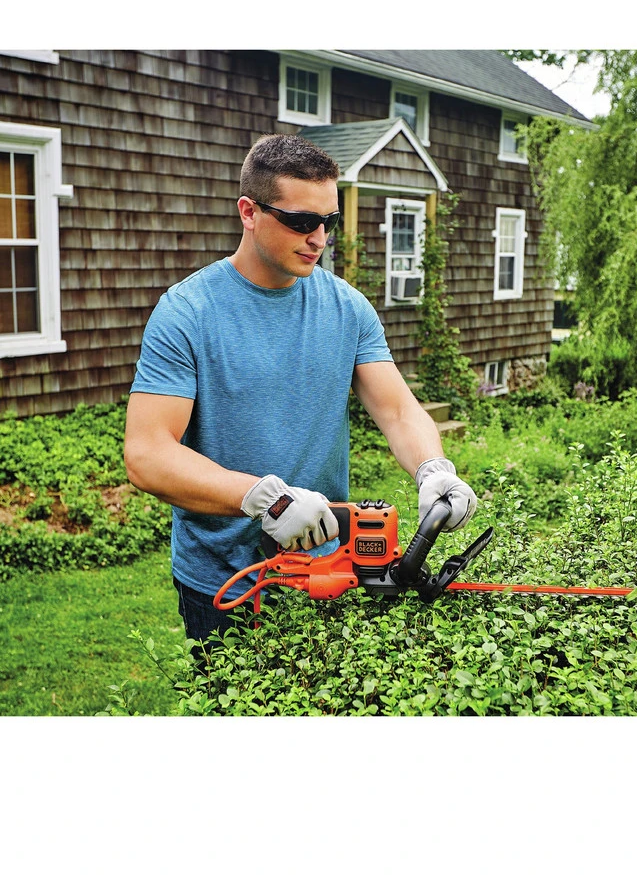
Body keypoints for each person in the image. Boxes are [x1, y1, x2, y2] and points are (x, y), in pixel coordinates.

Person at [124, 133, 477, 642]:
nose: (319, 238)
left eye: (328, 221)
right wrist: (264, 500)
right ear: (249, 212)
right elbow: (147, 453)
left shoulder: (347, 308)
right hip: (225, 580)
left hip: (326, 569)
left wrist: (433, 467)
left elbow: (399, 411)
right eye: (301, 221)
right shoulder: (187, 313)